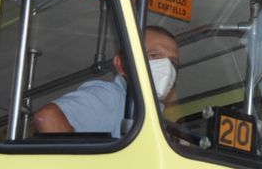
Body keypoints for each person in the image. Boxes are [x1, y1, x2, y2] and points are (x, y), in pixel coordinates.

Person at [30, 26, 181, 137]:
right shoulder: (112, 97)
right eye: (153, 56)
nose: (166, 67)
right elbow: (47, 117)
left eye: (173, 62)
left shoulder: (153, 115)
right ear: (120, 64)